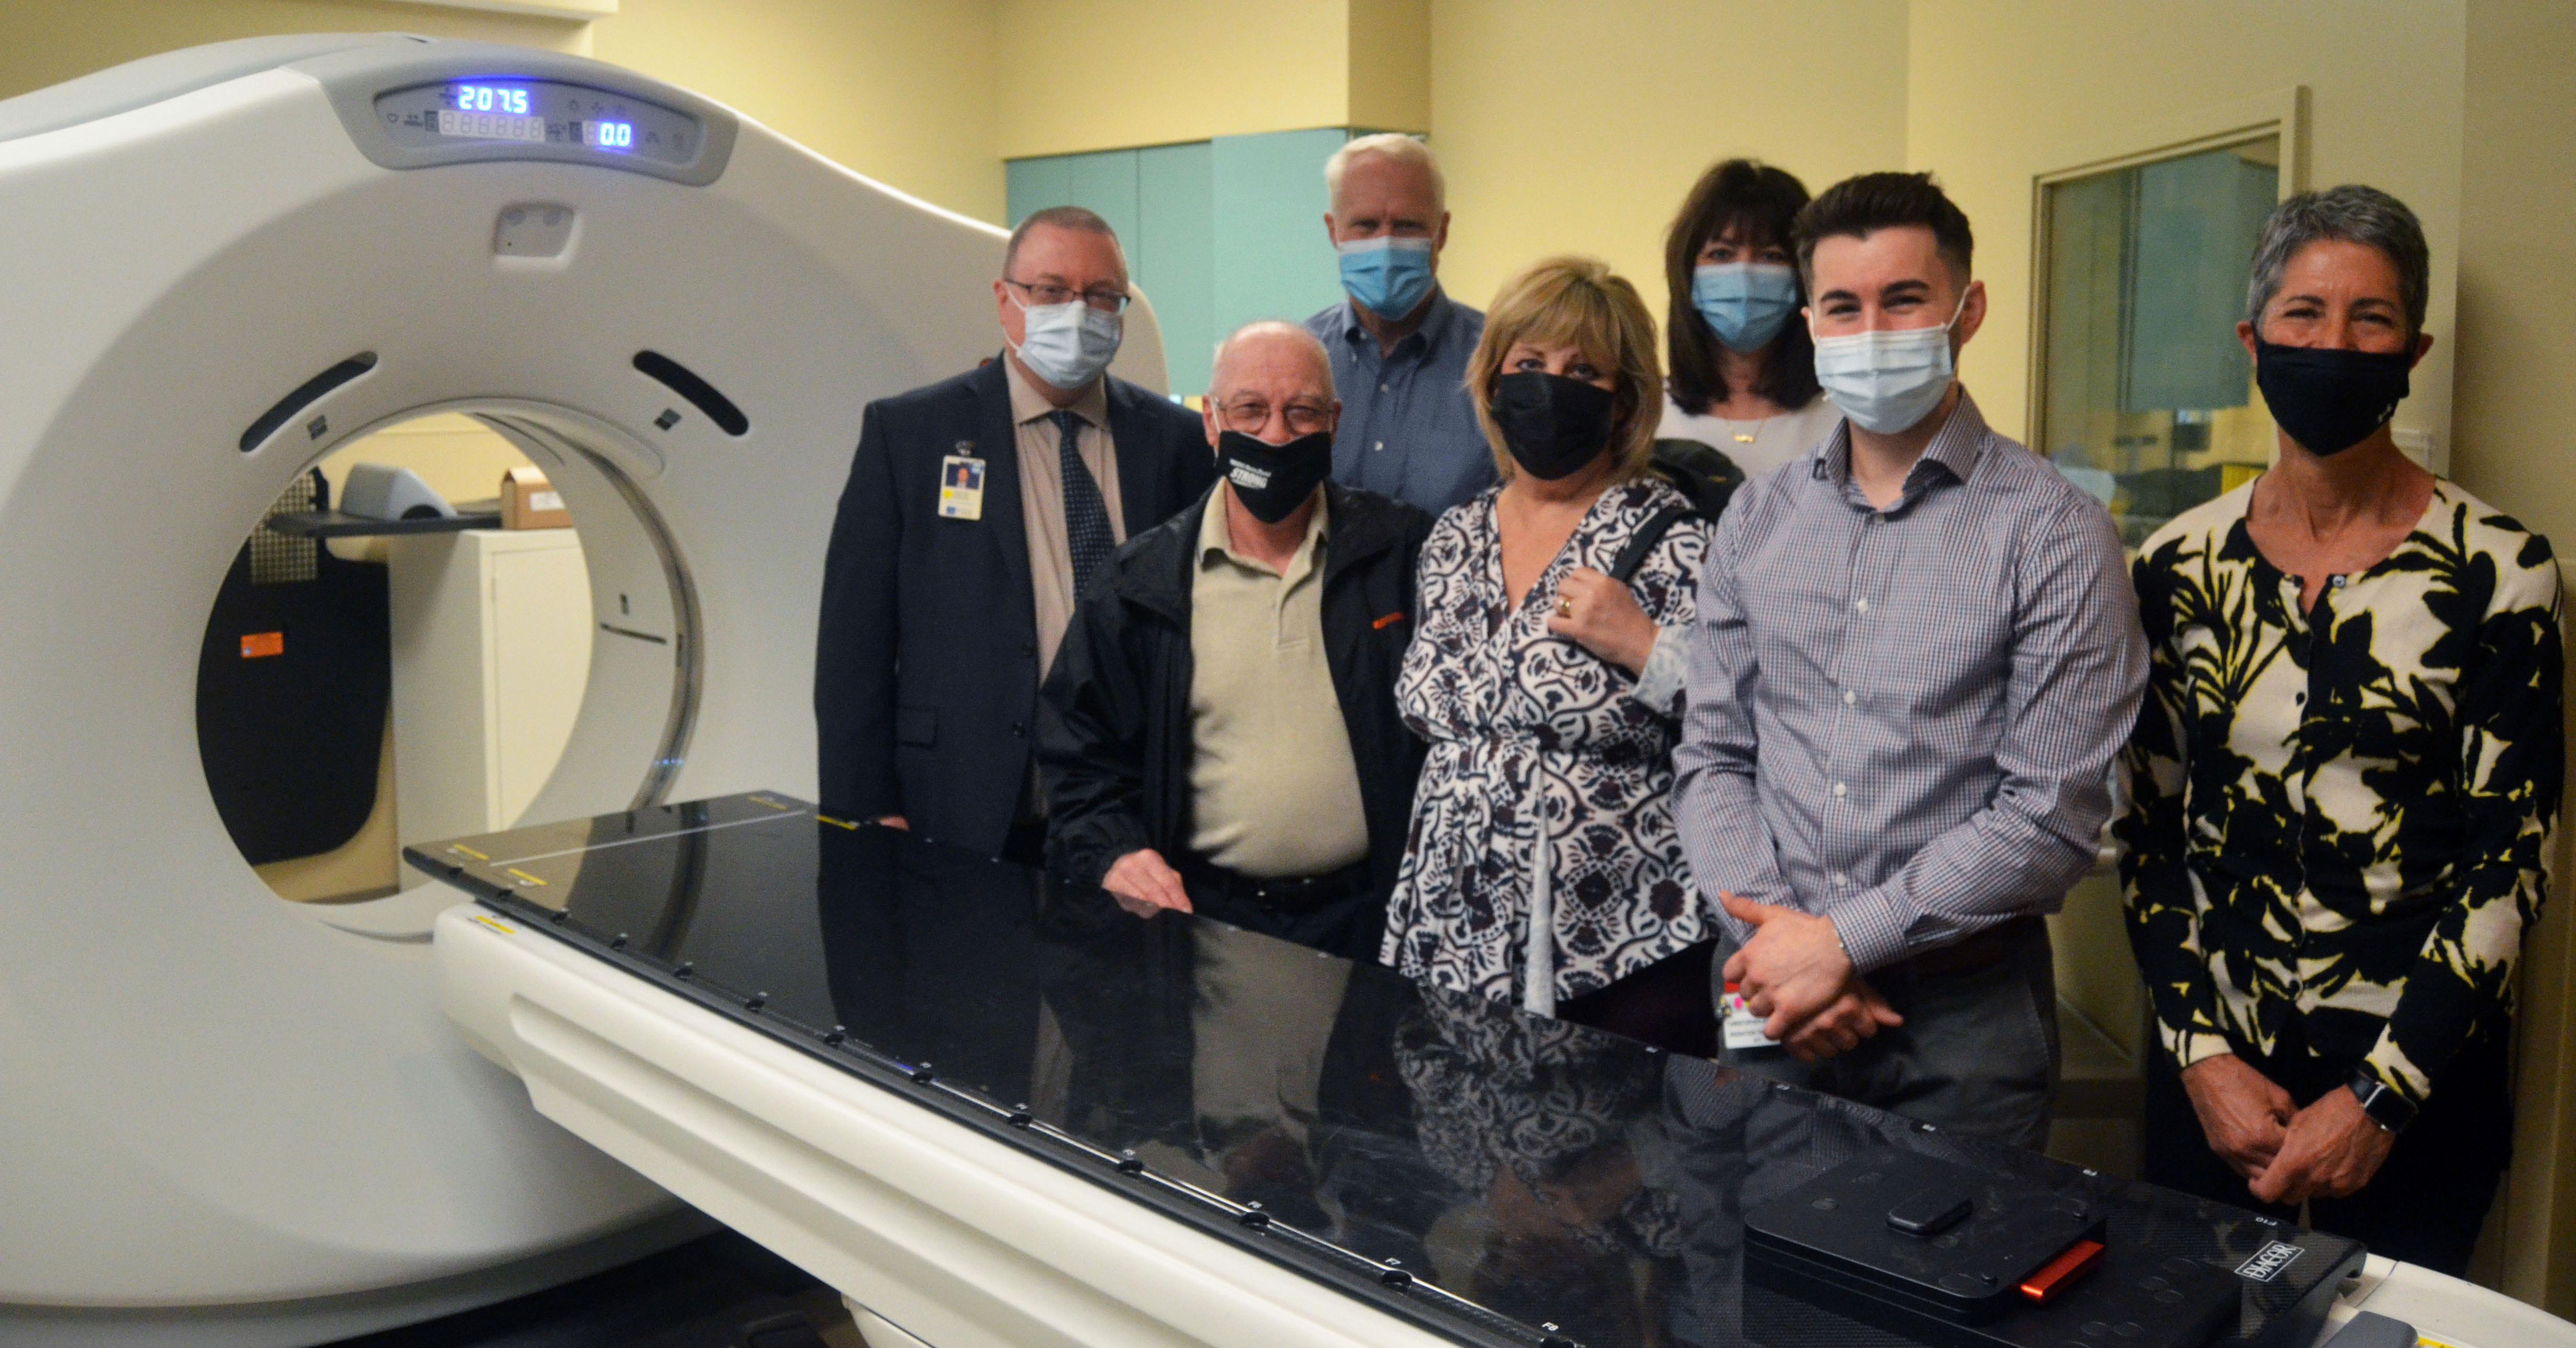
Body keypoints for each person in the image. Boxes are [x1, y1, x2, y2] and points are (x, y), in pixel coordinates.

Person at [2120, 186, 2561, 1274]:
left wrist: (2380, 1093)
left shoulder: (2501, 570)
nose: (2334, 342)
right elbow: (2146, 831)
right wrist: (2200, 1053)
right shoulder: (2175, 567)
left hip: (2417, 1077)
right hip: (2212, 1073)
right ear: (2252, 338)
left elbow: (2506, 861)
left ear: (2412, 347)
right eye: (2304, 314)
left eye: (2370, 318)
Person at [1672, 172, 2147, 1148]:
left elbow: (2049, 814)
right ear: (1809, 320)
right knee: (1765, 1288)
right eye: (1843, 307)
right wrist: (1783, 951)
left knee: (1947, 1293)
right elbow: (1713, 755)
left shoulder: (2053, 532)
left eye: (1903, 300)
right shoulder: (1757, 519)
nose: (1870, 328)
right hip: (1768, 997)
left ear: (1965, 310)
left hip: (1961, 1027)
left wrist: (1839, 944)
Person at [1385, 256, 1719, 1056]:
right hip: (1450, 932)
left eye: (1584, 370)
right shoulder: (1453, 537)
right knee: (1459, 1169)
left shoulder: (1676, 537)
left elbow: (1752, 720)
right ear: (1493, 378)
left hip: (1622, 950)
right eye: (1529, 364)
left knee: (1606, 1173)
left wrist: (1646, 646)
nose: (1550, 385)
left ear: (1626, 400)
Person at [814, 206, 1213, 865]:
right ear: (1005, 301)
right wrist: (863, 807)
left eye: (1100, 296)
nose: (1077, 311)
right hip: (961, 807)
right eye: (1051, 291)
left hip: (1134, 822)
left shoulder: (1174, 444)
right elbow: (853, 645)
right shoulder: (910, 435)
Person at [1037, 321, 1431, 960]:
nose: (1275, 433)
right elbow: (1078, 757)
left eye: (1301, 412)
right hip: (1208, 927)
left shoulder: (1401, 555)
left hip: (1375, 923)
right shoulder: (1141, 583)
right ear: (1211, 422)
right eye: (1250, 409)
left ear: (1333, 421)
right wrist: (1114, 850)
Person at [1305, 134, 1494, 517]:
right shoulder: (1299, 363)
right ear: (1333, 231)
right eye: (1366, 225)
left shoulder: (1497, 360)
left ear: (1441, 232)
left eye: (1408, 226)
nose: (1386, 243)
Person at [1657, 158, 1839, 480]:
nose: (1745, 273)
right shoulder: (1645, 416)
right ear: (1687, 274)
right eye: (1721, 254)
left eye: (1772, 256)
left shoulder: (1844, 417)